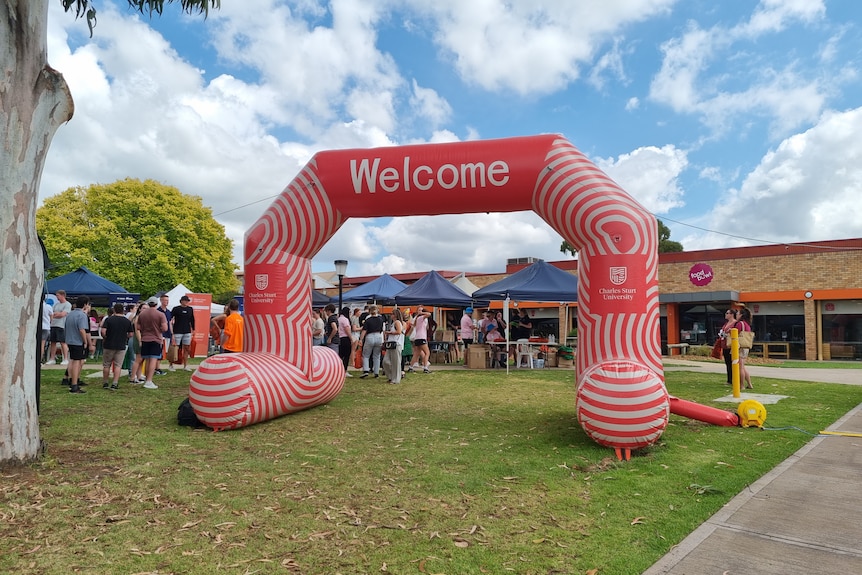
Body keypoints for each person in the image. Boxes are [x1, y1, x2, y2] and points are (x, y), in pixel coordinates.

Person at [137, 296, 168, 389]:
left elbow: (138, 327)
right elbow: (165, 328)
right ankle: (149, 381)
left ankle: (146, 379)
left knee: (146, 360)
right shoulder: (160, 314)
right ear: (156, 303)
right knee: (153, 360)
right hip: (156, 339)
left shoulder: (142, 314)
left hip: (145, 338)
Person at [101, 303, 134, 390]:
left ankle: (105, 382)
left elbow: (103, 331)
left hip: (108, 344)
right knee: (118, 365)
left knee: (106, 365)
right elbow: (131, 334)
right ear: (122, 310)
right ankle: (115, 383)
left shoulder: (108, 319)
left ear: (114, 310)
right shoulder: (127, 321)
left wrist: (106, 337)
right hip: (121, 345)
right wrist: (124, 336)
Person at [65, 296, 91, 393]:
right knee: (77, 362)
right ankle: (74, 384)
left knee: (72, 360)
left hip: (69, 340)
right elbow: (82, 329)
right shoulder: (82, 315)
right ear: (85, 304)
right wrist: (85, 341)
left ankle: (71, 380)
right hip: (77, 341)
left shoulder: (70, 314)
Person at [170, 295, 196, 371]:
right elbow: (170, 318)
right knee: (175, 348)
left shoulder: (190, 309)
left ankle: (185, 365)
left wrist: (193, 329)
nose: (186, 302)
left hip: (187, 331)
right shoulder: (176, 309)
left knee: (187, 348)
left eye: (187, 301)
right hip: (177, 330)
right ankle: (171, 364)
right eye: (185, 301)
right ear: (181, 301)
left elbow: (192, 319)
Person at [360, 304, 385, 378]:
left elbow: (364, 330)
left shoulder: (368, 320)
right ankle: (376, 372)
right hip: (378, 336)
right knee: (377, 356)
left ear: (370, 311)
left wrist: (361, 339)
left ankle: (366, 370)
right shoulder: (380, 319)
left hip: (370, 336)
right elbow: (382, 330)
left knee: (366, 355)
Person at [382, 308, 405, 384]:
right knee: (386, 361)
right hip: (391, 343)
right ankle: (391, 376)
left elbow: (398, 332)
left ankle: (396, 379)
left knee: (396, 362)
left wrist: (389, 333)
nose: (390, 315)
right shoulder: (393, 323)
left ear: (395, 315)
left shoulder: (397, 322)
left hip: (396, 343)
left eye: (392, 314)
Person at [49, 289, 71, 365]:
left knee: (63, 342)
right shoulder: (56, 304)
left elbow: (63, 314)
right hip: (53, 325)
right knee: (53, 342)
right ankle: (52, 358)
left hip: (61, 325)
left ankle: (65, 358)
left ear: (62, 295)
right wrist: (56, 314)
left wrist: (57, 314)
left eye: (58, 295)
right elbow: (51, 313)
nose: (57, 297)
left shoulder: (67, 304)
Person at [408, 305, 432, 373]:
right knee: (427, 352)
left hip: (417, 337)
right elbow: (429, 314)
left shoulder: (417, 319)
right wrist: (422, 313)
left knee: (416, 353)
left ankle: (411, 367)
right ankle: (425, 367)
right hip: (422, 337)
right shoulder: (421, 317)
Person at [736, 308, 754, 390]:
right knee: (743, 366)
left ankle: (741, 385)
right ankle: (749, 384)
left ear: (741, 315)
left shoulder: (740, 324)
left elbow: (735, 334)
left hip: (740, 346)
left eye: (738, 313)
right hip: (746, 347)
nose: (736, 315)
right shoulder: (747, 325)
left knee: (740, 367)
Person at [718, 309, 737, 385]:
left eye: (727, 313)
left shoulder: (735, 323)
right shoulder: (726, 323)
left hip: (731, 345)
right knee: (727, 363)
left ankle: (734, 379)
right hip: (725, 344)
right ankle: (729, 379)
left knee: (733, 363)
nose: (725, 314)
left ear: (732, 314)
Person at [157, 293, 173, 374]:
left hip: (167, 334)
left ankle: (158, 367)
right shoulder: (158, 311)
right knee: (159, 350)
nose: (167, 302)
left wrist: (172, 333)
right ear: (161, 300)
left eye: (167, 300)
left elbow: (169, 322)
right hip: (160, 334)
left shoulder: (169, 312)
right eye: (165, 300)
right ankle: (157, 368)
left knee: (164, 351)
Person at [337, 307, 353, 376]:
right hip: (345, 338)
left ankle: (339, 370)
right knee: (346, 355)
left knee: (340, 355)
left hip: (339, 338)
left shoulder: (339, 319)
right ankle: (345, 370)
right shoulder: (345, 320)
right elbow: (347, 329)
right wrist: (351, 338)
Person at [41, 295, 53, 364]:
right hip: (46, 327)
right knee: (43, 344)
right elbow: (51, 317)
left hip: (39, 327)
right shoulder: (48, 307)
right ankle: (41, 358)